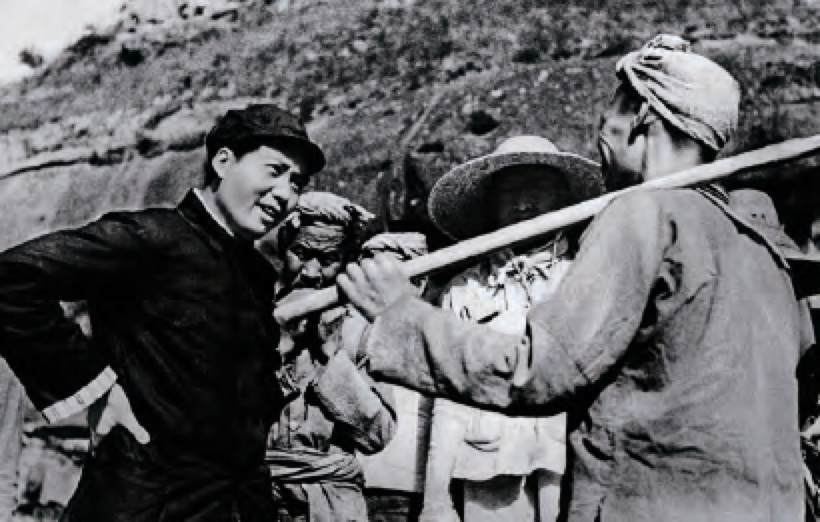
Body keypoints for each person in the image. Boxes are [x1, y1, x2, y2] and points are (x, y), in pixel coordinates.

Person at [337, 35, 816, 521]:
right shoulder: (767, 252)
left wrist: (401, 316)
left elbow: (537, 372)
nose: (599, 139)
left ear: (642, 117)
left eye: (605, 120)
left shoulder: (643, 214)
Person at [0, 104, 326, 521]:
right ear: (223, 162)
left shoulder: (258, 275)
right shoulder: (153, 238)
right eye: (274, 171)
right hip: (146, 503)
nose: (285, 194)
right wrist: (95, 389)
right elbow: (13, 279)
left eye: (297, 182)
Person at [418, 135, 602, 522]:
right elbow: (449, 397)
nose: (523, 203)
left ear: (562, 197)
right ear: (491, 206)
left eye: (537, 188)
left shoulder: (588, 275)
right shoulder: (466, 290)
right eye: (509, 192)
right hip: (487, 465)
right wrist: (436, 497)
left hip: (575, 466)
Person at [266, 192, 396, 522]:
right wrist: (279, 347)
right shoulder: (251, 316)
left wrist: (331, 357)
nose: (311, 272)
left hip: (332, 505)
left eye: (328, 259)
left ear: (346, 263)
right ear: (283, 247)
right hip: (256, 495)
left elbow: (378, 436)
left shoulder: (362, 328)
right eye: (301, 253)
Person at [353, 232, 432, 521]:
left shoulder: (433, 334)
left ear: (420, 283)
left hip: (404, 486)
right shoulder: (350, 329)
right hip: (351, 481)